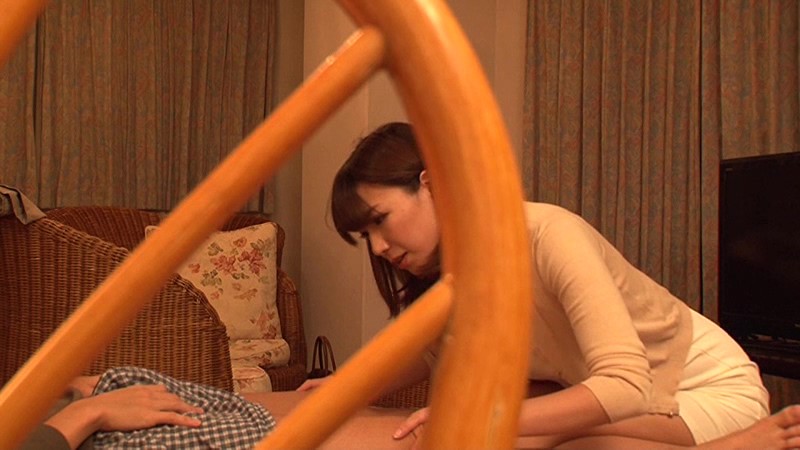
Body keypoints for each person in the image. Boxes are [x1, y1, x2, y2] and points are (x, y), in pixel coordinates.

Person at [301, 121, 800, 449]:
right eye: (364, 236)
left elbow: (625, 385)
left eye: (380, 221)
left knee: (532, 437)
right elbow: (427, 352)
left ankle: (735, 443)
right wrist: (348, 388)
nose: (378, 248)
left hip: (701, 387)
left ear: (431, 185)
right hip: (626, 397)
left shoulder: (546, 233)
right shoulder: (451, 276)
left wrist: (484, 418)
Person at [21, 366, 276, 450]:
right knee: (273, 433)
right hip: (84, 435)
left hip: (79, 403)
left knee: (257, 410)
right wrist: (89, 412)